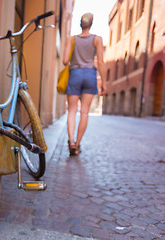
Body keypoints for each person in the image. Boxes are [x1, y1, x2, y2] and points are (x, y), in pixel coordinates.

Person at [63, 12, 107, 156]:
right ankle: (77, 144)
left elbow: (64, 61)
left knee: (71, 111)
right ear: (91, 24)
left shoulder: (72, 39)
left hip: (75, 74)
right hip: (89, 75)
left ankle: (70, 141)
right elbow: (100, 62)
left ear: (80, 24)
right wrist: (104, 83)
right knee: (85, 112)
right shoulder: (97, 39)